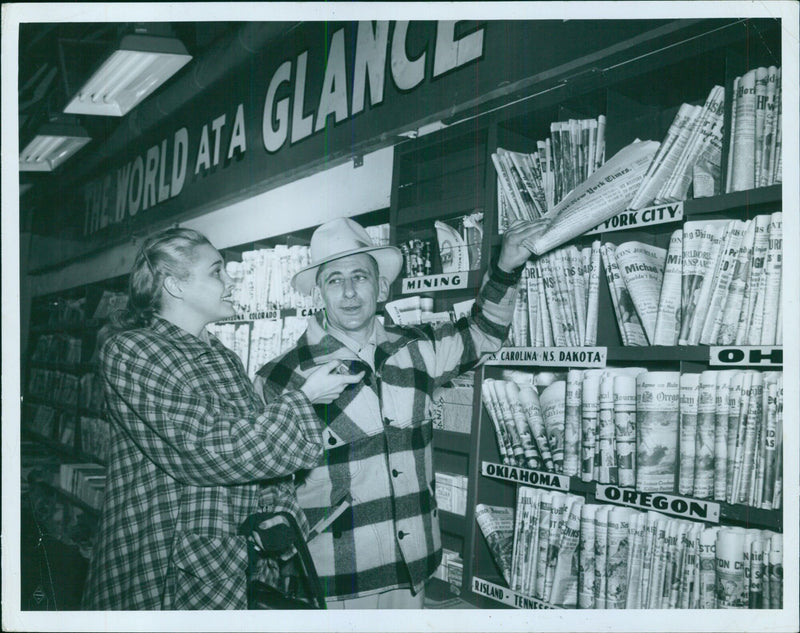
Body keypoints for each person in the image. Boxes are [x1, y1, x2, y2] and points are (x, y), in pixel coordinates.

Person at [254, 217, 539, 608]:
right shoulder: (280, 377)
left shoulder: (417, 349)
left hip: (412, 574)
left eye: (360, 276)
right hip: (332, 581)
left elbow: (482, 334)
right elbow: (264, 482)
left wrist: (506, 268)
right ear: (319, 291)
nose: (350, 292)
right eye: (334, 280)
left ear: (381, 286)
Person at [82, 227, 360, 610]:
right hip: (164, 559)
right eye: (217, 271)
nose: (232, 280)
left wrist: (274, 510)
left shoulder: (222, 356)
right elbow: (205, 448)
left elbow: (254, 452)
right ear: (175, 286)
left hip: (227, 561)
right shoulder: (131, 350)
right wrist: (304, 398)